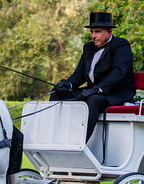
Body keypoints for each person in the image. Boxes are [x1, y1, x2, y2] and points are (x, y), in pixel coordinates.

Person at [51, 11, 135, 140]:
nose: (93, 36)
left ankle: (81, 141)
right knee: (57, 92)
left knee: (94, 99)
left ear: (109, 32)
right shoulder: (88, 48)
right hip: (92, 91)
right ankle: (54, 135)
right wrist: (68, 84)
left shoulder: (121, 45)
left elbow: (118, 73)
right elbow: (79, 74)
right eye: (92, 32)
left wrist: (98, 89)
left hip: (113, 93)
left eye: (98, 32)